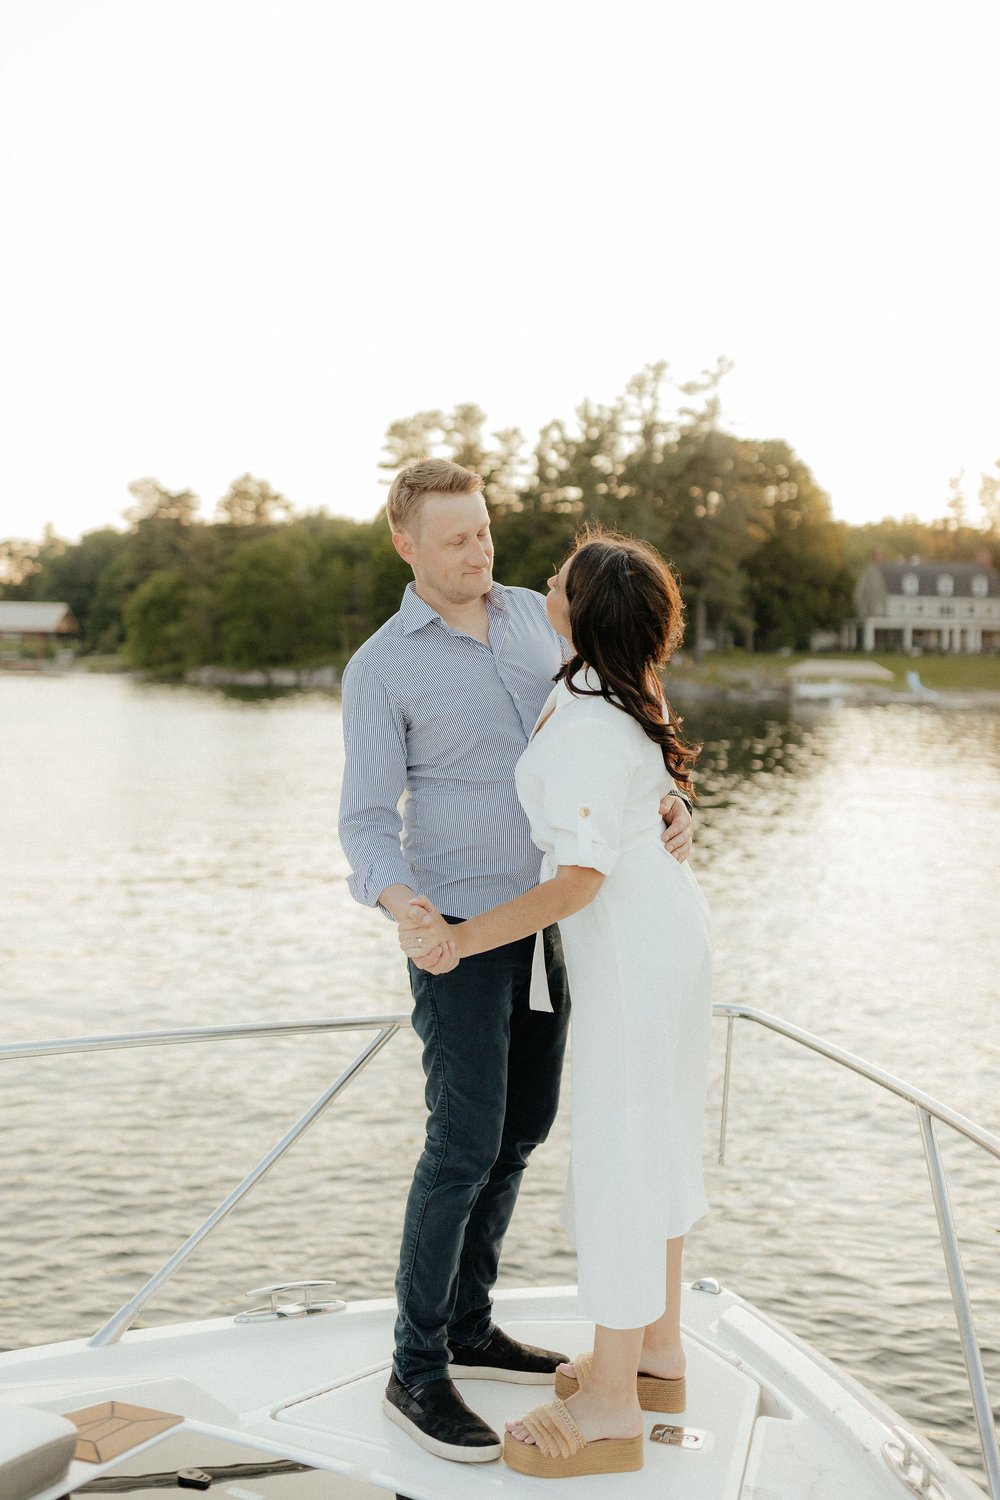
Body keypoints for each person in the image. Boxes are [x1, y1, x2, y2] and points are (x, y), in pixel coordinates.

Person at [338, 460, 693, 1465]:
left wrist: (669, 801)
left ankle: (470, 1321)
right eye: (454, 538)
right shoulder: (380, 667)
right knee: (462, 1141)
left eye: (484, 531)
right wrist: (398, 897)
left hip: (559, 925)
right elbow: (364, 820)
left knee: (523, 1130)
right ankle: (416, 1368)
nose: (477, 552)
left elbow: (620, 709)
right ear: (406, 545)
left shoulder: (542, 623)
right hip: (456, 932)